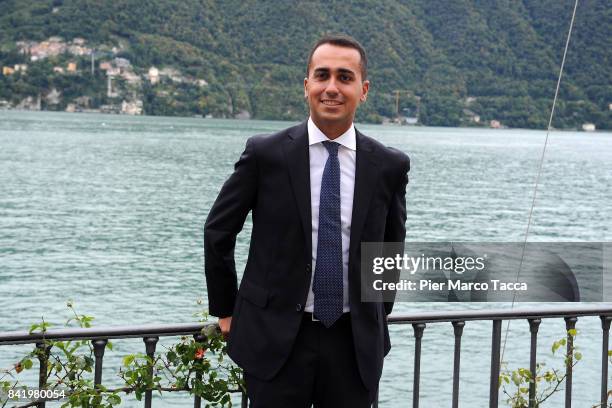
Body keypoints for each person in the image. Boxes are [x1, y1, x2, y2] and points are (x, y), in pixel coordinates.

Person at [204, 34, 410, 408]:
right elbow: (219, 230)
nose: (332, 88)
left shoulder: (389, 165)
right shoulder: (266, 154)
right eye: (322, 76)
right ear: (306, 86)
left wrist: (377, 313)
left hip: (353, 344)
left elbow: (391, 248)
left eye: (345, 78)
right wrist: (225, 309)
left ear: (363, 90)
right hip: (276, 340)